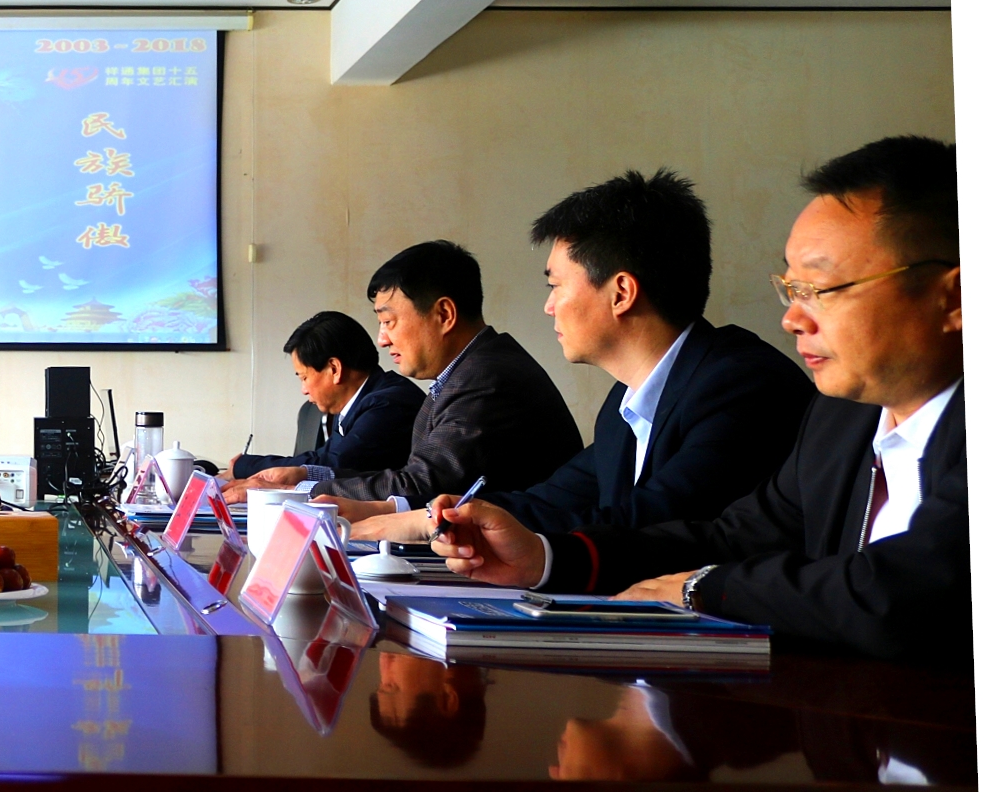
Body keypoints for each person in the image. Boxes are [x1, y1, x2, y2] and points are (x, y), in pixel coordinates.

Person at [433, 137, 966, 662]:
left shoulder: (750, 383)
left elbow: (903, 591)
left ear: (954, 298)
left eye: (820, 290)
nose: (791, 319)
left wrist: (702, 589)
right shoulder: (842, 417)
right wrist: (546, 558)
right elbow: (734, 538)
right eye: (790, 289)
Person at [346, 171, 814, 538]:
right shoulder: (623, 406)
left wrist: (426, 522)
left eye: (555, 285)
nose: (548, 306)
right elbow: (551, 500)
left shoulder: (743, 386)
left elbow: (652, 521)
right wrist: (437, 516)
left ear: (621, 293)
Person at [226, 241, 581, 506]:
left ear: (444, 315)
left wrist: (297, 489)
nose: (382, 339)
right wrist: (306, 474)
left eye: (389, 321)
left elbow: (421, 485)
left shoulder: (487, 378)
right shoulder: (465, 373)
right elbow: (409, 477)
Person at [229, 310, 423, 480]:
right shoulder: (354, 402)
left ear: (334, 369)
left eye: (304, 377)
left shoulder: (389, 404)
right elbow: (324, 457)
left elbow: (332, 465)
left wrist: (245, 466)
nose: (304, 390)